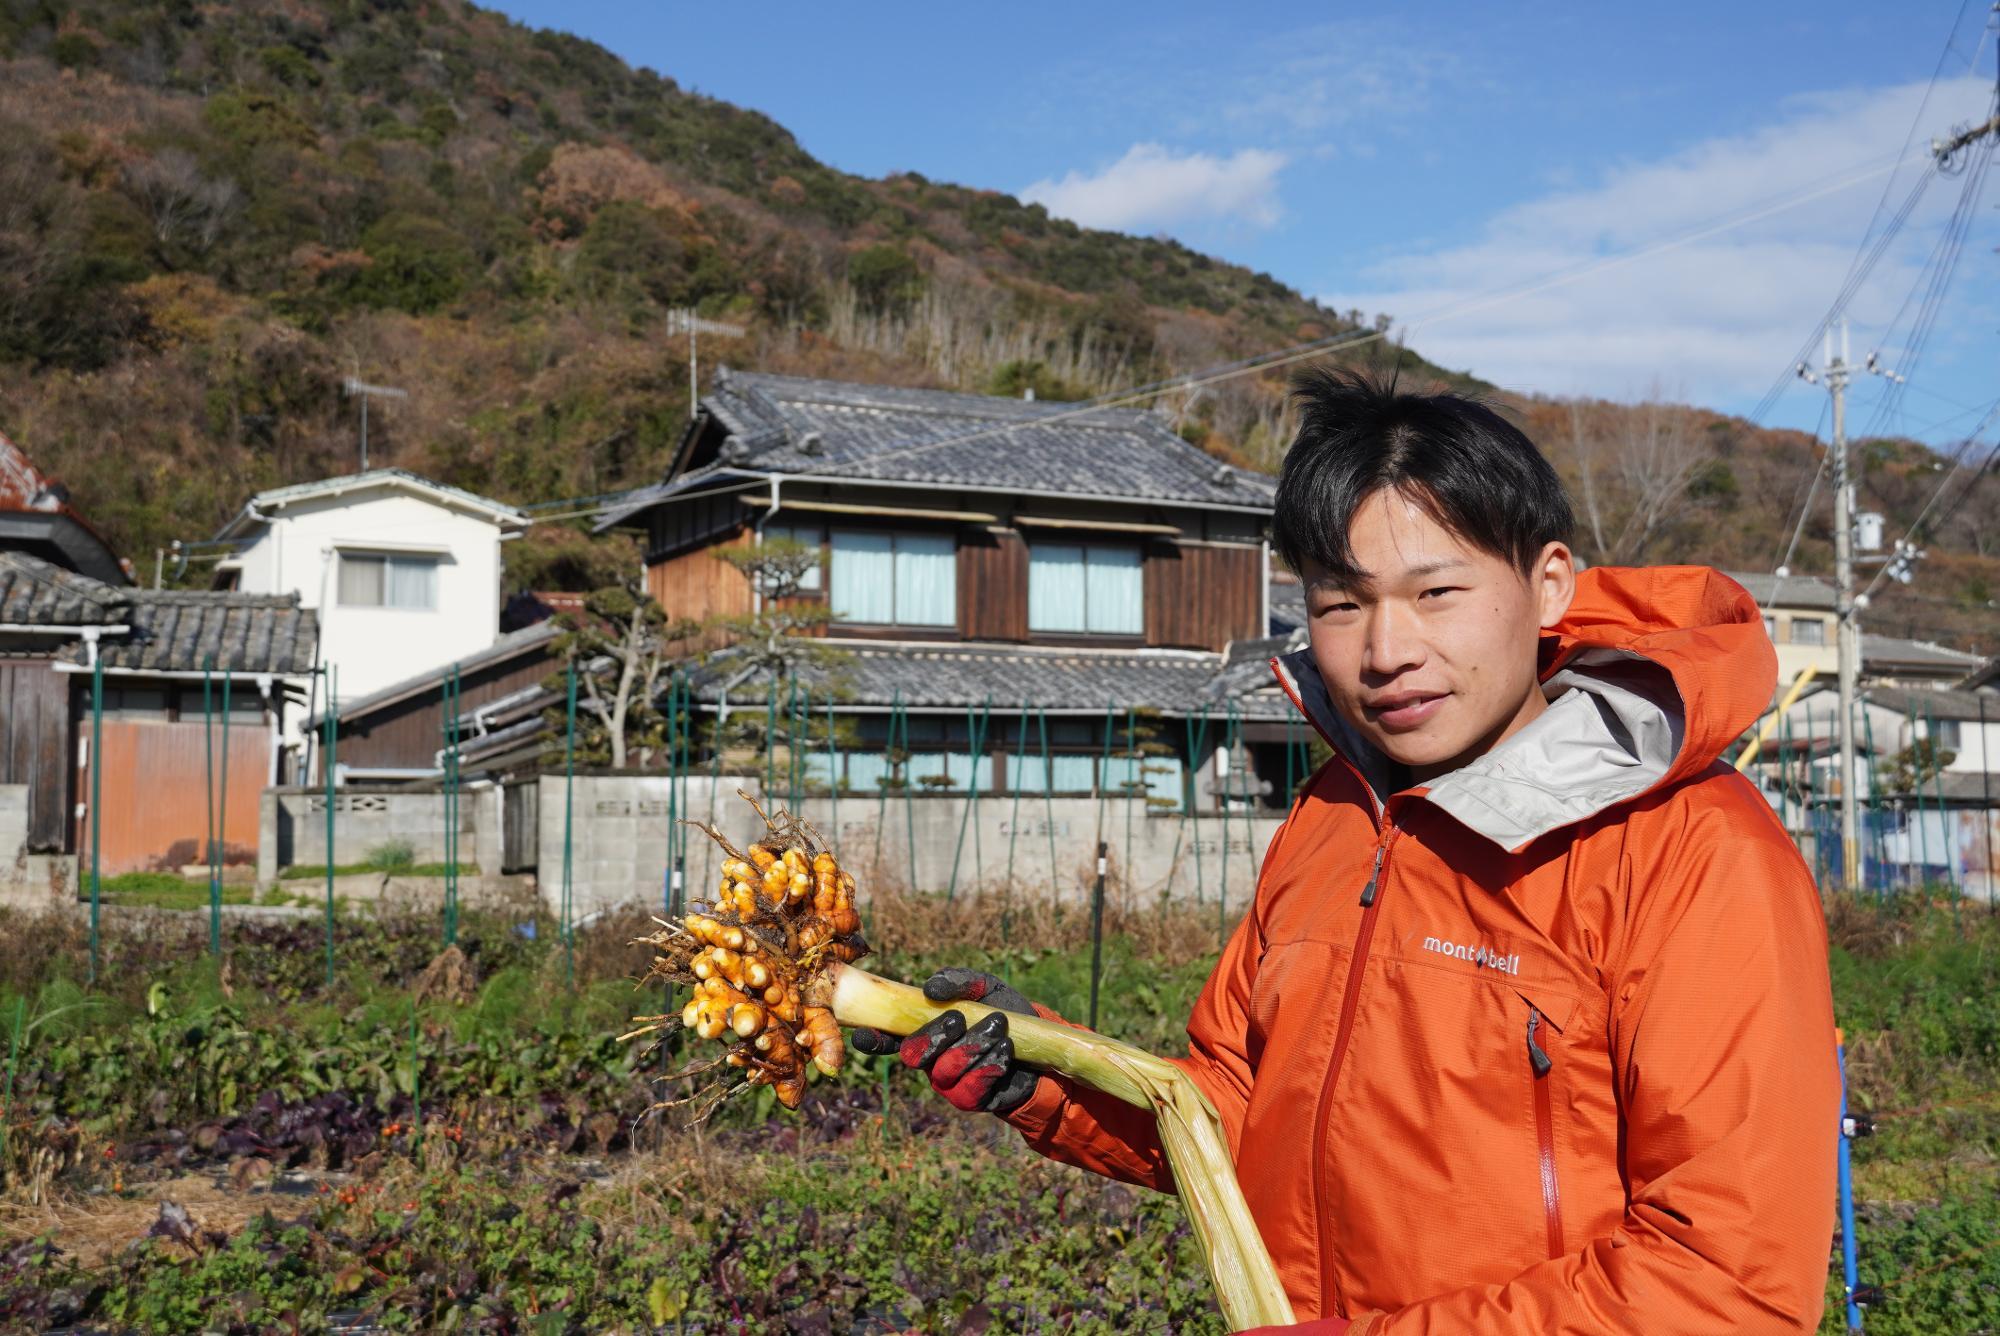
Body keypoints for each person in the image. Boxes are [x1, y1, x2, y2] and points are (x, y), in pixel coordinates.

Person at [853, 367, 1841, 1333]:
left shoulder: (1691, 851)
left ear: (1546, 587)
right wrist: (1050, 1080)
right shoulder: (1338, 811)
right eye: (1338, 602)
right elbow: (1241, 1116)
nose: (1383, 650)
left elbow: (1728, 1286)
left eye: (1435, 592)